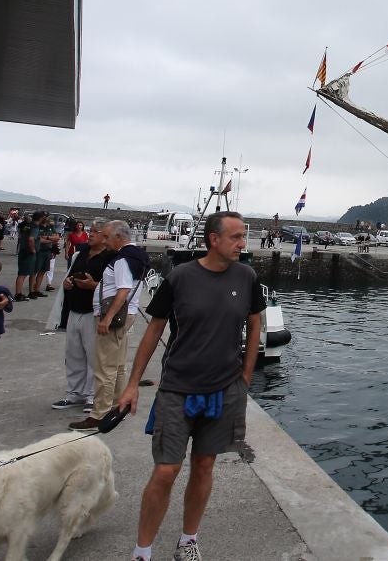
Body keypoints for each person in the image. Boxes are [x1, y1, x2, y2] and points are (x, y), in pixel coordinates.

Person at [117, 211, 264, 561]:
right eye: (236, 237)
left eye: (243, 236)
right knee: (166, 470)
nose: (243, 244)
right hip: (178, 388)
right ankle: (142, 551)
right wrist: (132, 384)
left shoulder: (247, 277)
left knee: (204, 466)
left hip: (225, 390)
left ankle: (188, 541)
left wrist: (245, 376)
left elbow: (255, 324)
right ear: (213, 239)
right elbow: (154, 329)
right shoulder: (181, 277)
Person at [68, 220, 147, 432]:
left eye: (107, 236)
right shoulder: (136, 256)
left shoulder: (122, 260)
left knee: (104, 366)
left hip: (114, 316)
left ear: (119, 237)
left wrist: (107, 318)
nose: (104, 240)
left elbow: (123, 290)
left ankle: (99, 413)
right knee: (118, 364)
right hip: (126, 314)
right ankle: (117, 405)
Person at [51, 219, 111, 417]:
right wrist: (68, 282)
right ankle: (74, 392)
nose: (90, 234)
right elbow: (71, 275)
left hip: (93, 312)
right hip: (74, 309)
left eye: (96, 231)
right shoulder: (80, 253)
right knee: (74, 353)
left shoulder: (111, 259)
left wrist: (93, 286)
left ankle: (92, 395)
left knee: (94, 355)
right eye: (90, 230)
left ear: (106, 236)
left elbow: (115, 289)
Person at [14, 211, 42, 302]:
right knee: (23, 274)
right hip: (28, 252)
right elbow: (31, 239)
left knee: (26, 272)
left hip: (23, 250)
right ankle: (18, 294)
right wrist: (33, 249)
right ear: (41, 218)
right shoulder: (35, 227)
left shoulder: (28, 225)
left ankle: (23, 293)